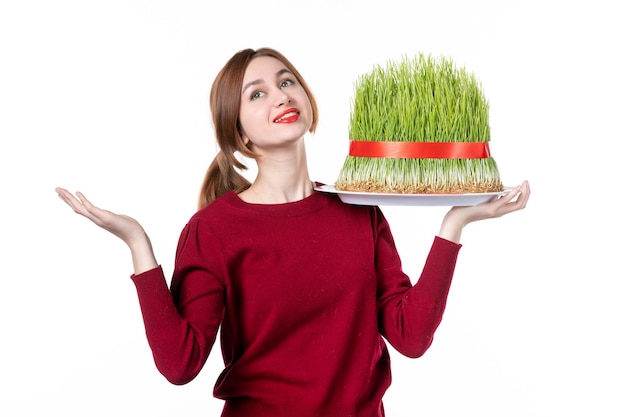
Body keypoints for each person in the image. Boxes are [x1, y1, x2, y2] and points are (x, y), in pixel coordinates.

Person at [55, 47, 530, 417]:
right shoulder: (213, 231)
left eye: (287, 82)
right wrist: (138, 243)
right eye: (256, 93)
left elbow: (411, 336)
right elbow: (180, 365)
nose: (281, 95)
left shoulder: (359, 210)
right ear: (238, 133)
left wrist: (455, 224)